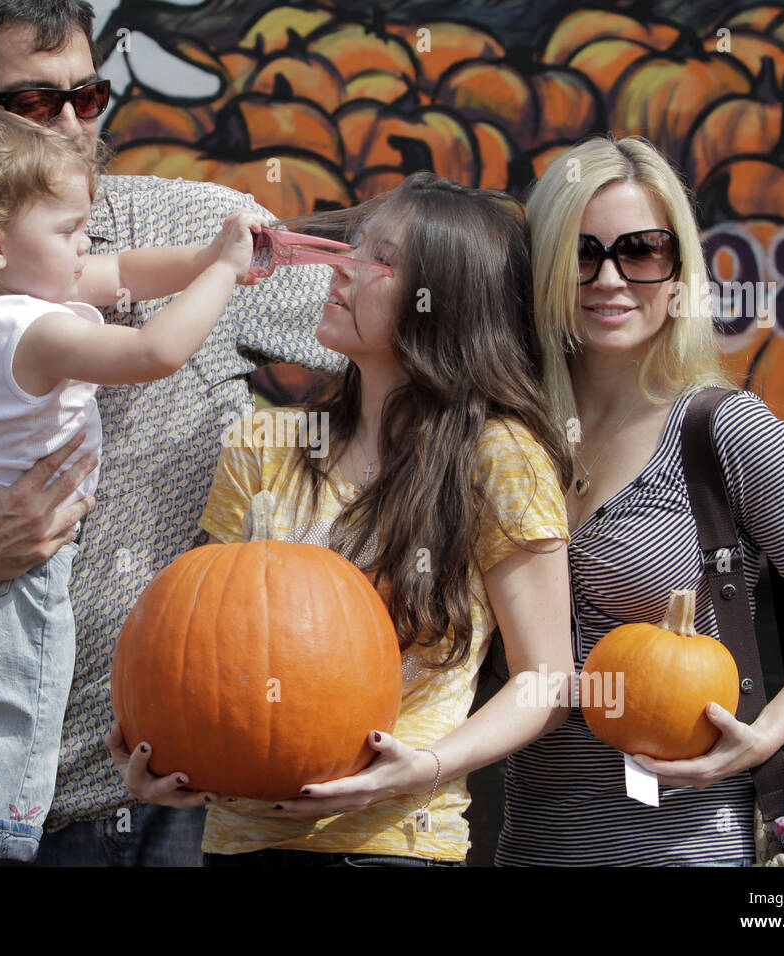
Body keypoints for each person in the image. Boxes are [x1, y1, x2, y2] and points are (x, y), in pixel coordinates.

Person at [0, 0, 340, 866]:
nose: (70, 125)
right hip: (49, 817)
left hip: (215, 785)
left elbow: (381, 312)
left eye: (89, 95)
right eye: (32, 104)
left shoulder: (189, 222)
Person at [109, 172, 577, 865]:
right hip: (238, 847)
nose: (344, 269)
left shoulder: (497, 456)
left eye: (381, 261)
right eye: (352, 248)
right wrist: (162, 741)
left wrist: (429, 765)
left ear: (439, 302)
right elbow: (200, 634)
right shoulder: (265, 446)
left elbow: (547, 680)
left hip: (393, 847)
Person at [494, 135, 784, 865]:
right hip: (535, 844)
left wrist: (766, 734)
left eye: (642, 251)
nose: (611, 279)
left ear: (680, 273)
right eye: (581, 253)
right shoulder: (509, 440)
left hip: (697, 846)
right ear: (543, 268)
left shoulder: (722, 430)